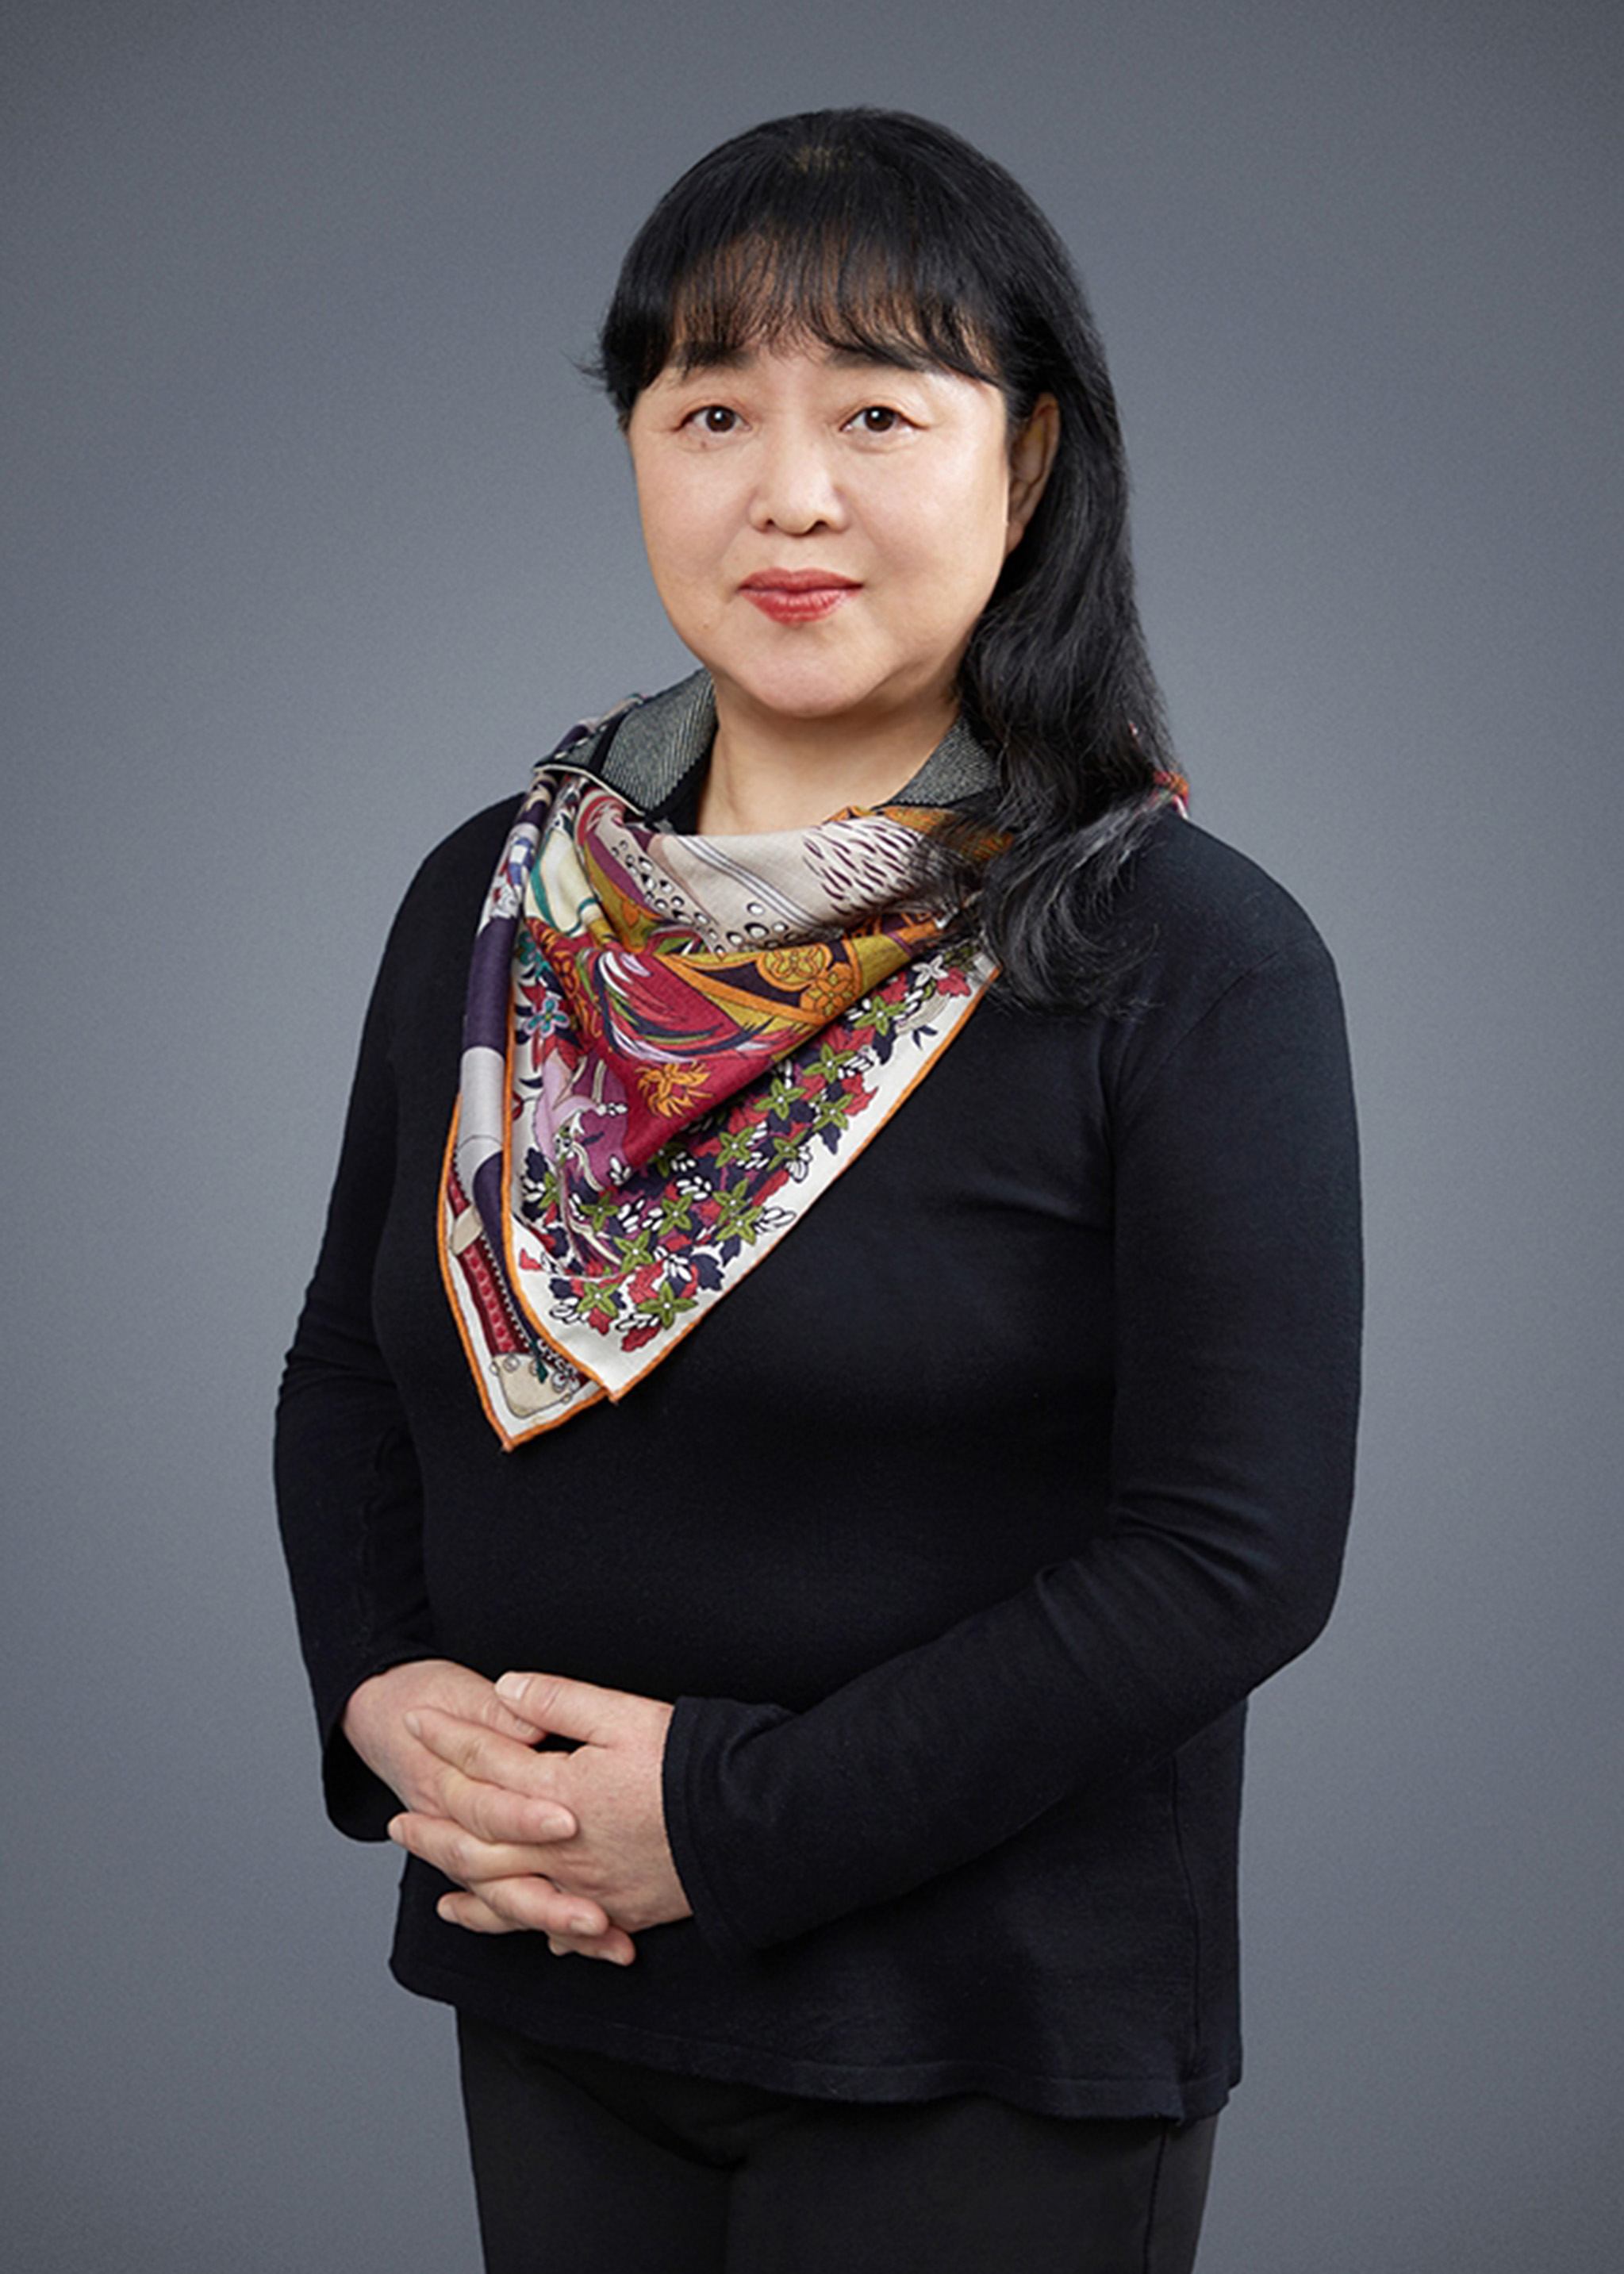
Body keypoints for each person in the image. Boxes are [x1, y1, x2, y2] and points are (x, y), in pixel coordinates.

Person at [275, 107, 1361, 2274]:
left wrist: (716, 1823)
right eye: (711, 411)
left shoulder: (1183, 954)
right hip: (555, 1979)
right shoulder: (492, 906)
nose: (787, 492)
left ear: (1025, 462)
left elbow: (1227, 1560)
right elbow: (350, 1368)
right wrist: (381, 1693)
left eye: (877, 409)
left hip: (986, 2042)